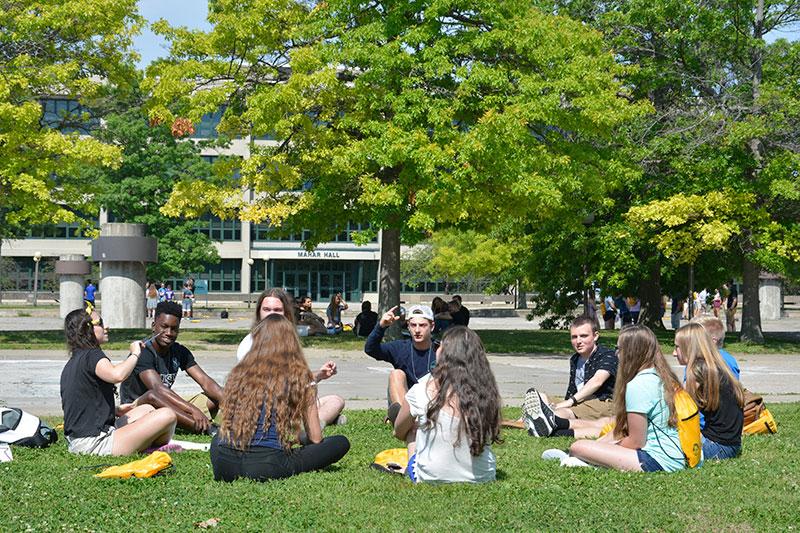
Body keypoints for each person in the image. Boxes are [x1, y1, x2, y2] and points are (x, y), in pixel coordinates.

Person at [211, 315, 350, 481]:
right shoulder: (299, 376)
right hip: (265, 465)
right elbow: (315, 439)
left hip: (223, 463)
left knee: (218, 438)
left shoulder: (238, 374)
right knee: (340, 442)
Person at [566, 325, 687, 472]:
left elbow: (636, 441)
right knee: (589, 446)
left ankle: (587, 461)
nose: (616, 354)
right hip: (673, 456)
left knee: (578, 447)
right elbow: (623, 430)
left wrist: (604, 449)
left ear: (631, 352)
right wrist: (598, 446)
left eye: (619, 349)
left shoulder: (638, 385)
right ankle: (588, 460)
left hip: (657, 460)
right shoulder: (657, 375)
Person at [60, 305, 176, 456]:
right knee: (168, 415)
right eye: (100, 323)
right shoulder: (92, 355)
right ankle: (151, 447)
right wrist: (135, 354)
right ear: (86, 330)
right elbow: (117, 375)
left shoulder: (76, 359)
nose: (106, 326)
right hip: (94, 444)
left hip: (79, 440)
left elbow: (82, 403)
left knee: (147, 409)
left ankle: (143, 442)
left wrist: (113, 410)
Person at [393, 326, 500, 483]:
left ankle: (417, 469)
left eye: (440, 345)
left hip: (431, 477)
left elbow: (399, 431)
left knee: (412, 430)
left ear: (444, 354)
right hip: (484, 476)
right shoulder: (486, 393)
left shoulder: (422, 389)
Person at [237, 288, 345, 427]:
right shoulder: (250, 342)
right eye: (267, 309)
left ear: (286, 314)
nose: (272, 315)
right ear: (259, 312)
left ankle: (316, 421)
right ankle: (314, 424)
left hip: (290, 403)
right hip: (264, 408)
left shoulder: (288, 340)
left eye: (277, 310)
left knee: (336, 400)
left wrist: (321, 374)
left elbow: (293, 379)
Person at [119, 301, 224, 434]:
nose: (169, 333)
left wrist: (229, 404)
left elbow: (205, 381)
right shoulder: (143, 352)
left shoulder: (179, 351)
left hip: (165, 404)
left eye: (174, 329)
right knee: (154, 396)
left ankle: (239, 419)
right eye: (164, 327)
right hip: (138, 409)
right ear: (153, 326)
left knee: (216, 395)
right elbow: (159, 389)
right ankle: (210, 429)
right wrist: (192, 410)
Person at [520, 316, 617, 438]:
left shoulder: (607, 355)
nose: (578, 341)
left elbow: (597, 381)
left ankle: (539, 421)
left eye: (583, 336)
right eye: (574, 337)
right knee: (541, 397)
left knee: (563, 412)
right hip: (579, 402)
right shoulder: (575, 359)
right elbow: (573, 388)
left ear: (595, 336)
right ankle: (534, 420)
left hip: (602, 402)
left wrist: (569, 402)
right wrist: (566, 401)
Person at [674, 323, 744, 460]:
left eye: (677, 347)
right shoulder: (714, 366)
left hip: (716, 447)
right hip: (732, 445)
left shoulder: (697, 372)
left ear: (689, 348)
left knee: (661, 443)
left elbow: (680, 411)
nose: (674, 353)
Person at [364, 304, 440, 423]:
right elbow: (370, 349)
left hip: (431, 400)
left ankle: (417, 419)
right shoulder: (400, 347)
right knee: (396, 374)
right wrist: (381, 326)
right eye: (413, 325)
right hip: (406, 401)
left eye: (422, 325)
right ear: (408, 327)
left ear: (432, 326)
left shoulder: (441, 350)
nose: (417, 330)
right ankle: (402, 419)